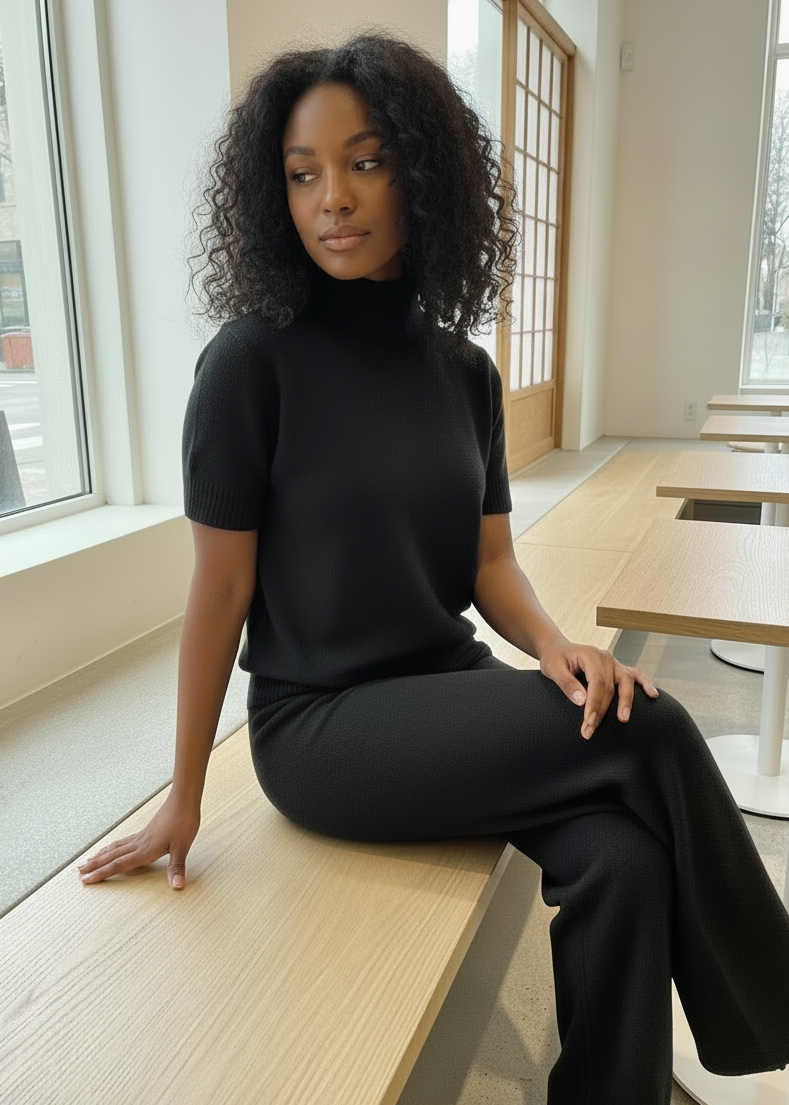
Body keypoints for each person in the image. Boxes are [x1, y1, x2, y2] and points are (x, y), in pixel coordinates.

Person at [78, 30, 789, 1105]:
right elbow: (218, 592)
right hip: (322, 723)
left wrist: (556, 650)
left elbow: (490, 559)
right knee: (658, 726)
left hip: (447, 682)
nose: (333, 198)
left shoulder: (464, 369)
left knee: (622, 855)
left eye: (364, 161)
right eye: (302, 173)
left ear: (421, 168)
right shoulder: (247, 365)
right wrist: (183, 798)